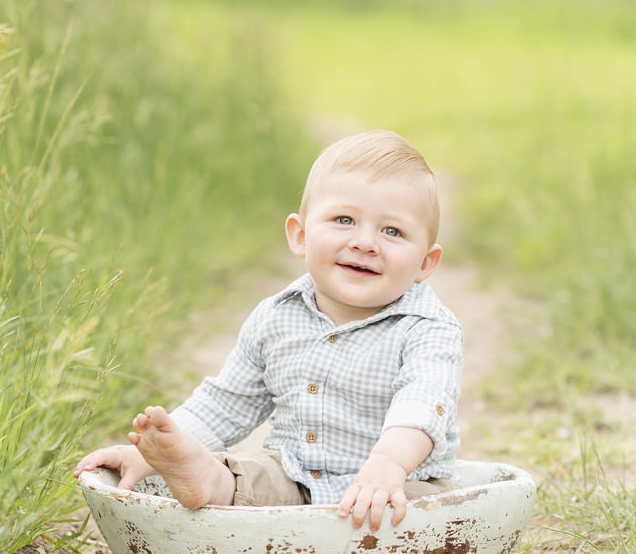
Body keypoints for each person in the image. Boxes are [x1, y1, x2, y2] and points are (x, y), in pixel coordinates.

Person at [74, 130, 463, 532]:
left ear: (424, 263)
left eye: (392, 232)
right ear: (300, 234)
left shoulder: (428, 329)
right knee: (250, 476)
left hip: (398, 484)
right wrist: (150, 456)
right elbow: (227, 403)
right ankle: (205, 480)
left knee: (429, 510)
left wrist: (389, 464)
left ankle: (381, 518)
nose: (365, 242)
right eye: (344, 220)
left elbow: (421, 405)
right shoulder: (276, 317)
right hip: (296, 480)